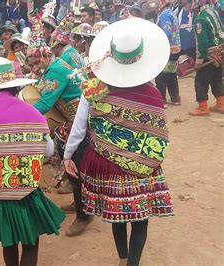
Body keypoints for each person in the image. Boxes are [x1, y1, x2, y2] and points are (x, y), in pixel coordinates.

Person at [63, 19, 174, 266]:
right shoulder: (153, 94)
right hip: (143, 166)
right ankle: (132, 263)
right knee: (140, 219)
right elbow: (158, 134)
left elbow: (79, 127)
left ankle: (123, 259)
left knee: (117, 216)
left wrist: (68, 155)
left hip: (105, 164)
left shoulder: (93, 89)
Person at [0, 57, 65, 266]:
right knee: (30, 242)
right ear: (17, 86)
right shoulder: (31, 113)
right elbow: (48, 151)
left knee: (8, 243)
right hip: (24, 191)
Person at [26, 16, 92, 237]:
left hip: (78, 122)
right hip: (71, 121)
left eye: (37, 63)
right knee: (71, 161)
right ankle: (79, 202)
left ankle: (84, 215)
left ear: (46, 56)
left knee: (75, 163)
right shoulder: (53, 66)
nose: (35, 68)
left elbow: (45, 103)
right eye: (31, 64)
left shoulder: (54, 70)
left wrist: (21, 114)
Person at [188, 0, 223, 116]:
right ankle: (221, 104)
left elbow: (202, 44)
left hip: (209, 54)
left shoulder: (200, 19)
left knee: (200, 81)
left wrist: (199, 61)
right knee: (216, 78)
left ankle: (203, 107)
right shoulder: (212, 11)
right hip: (220, 52)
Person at [156, 0, 182, 106]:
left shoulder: (164, 15)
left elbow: (167, 33)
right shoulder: (172, 13)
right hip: (175, 48)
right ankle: (175, 98)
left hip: (167, 49)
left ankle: (162, 100)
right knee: (171, 73)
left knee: (161, 75)